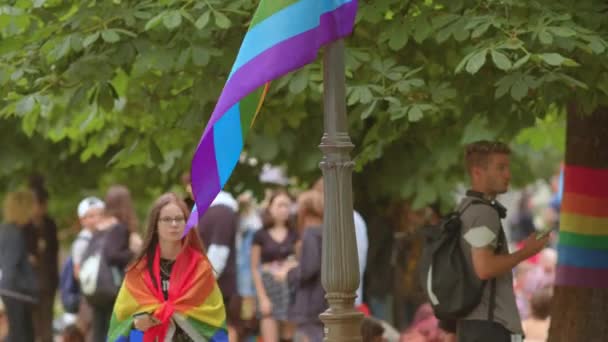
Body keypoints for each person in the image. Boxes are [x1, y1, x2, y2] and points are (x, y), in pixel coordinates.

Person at [457, 141, 548, 341]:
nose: (508, 175)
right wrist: (526, 252)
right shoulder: (484, 213)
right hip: (489, 326)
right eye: (500, 168)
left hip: (471, 323)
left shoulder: (465, 208)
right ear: (477, 172)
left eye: (507, 167)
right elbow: (484, 267)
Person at [107, 193, 227, 341]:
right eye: (167, 219)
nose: (174, 224)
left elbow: (214, 319)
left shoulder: (200, 269)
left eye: (179, 219)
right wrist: (136, 323)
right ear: (155, 225)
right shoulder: (139, 270)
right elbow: (122, 320)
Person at [88, 185, 140, 342]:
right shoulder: (118, 227)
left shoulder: (100, 227)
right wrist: (133, 251)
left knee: (99, 329)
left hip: (97, 286)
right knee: (116, 330)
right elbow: (112, 256)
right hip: (114, 287)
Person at [251, 190, 298, 342]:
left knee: (289, 336)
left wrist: (288, 267)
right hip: (268, 288)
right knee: (269, 334)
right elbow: (254, 267)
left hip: (289, 287)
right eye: (280, 205)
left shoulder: (294, 234)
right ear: (270, 207)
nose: (284, 209)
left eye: (287, 206)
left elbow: (301, 260)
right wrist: (262, 297)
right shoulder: (260, 234)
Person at [197, 190, 239, 341]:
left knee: (224, 327)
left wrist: (202, 283)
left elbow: (219, 251)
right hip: (211, 281)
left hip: (217, 282)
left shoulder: (222, 211)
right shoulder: (213, 210)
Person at [287, 190, 327, 342]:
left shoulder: (311, 233)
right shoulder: (328, 232)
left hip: (311, 302)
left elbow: (308, 269)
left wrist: (290, 273)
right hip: (325, 298)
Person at [23, 175, 58, 342]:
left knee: (46, 324)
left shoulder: (50, 224)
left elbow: (54, 252)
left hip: (47, 281)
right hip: (28, 283)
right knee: (30, 324)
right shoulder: (23, 226)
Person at [0, 190, 39, 342]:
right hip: (16, 293)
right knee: (20, 335)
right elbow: (10, 266)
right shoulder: (14, 233)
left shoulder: (5, 230)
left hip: (12, 291)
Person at [72, 197, 104, 339]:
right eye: (90, 216)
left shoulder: (107, 237)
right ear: (82, 220)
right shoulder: (81, 242)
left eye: (99, 214)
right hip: (90, 297)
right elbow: (77, 271)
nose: (96, 219)